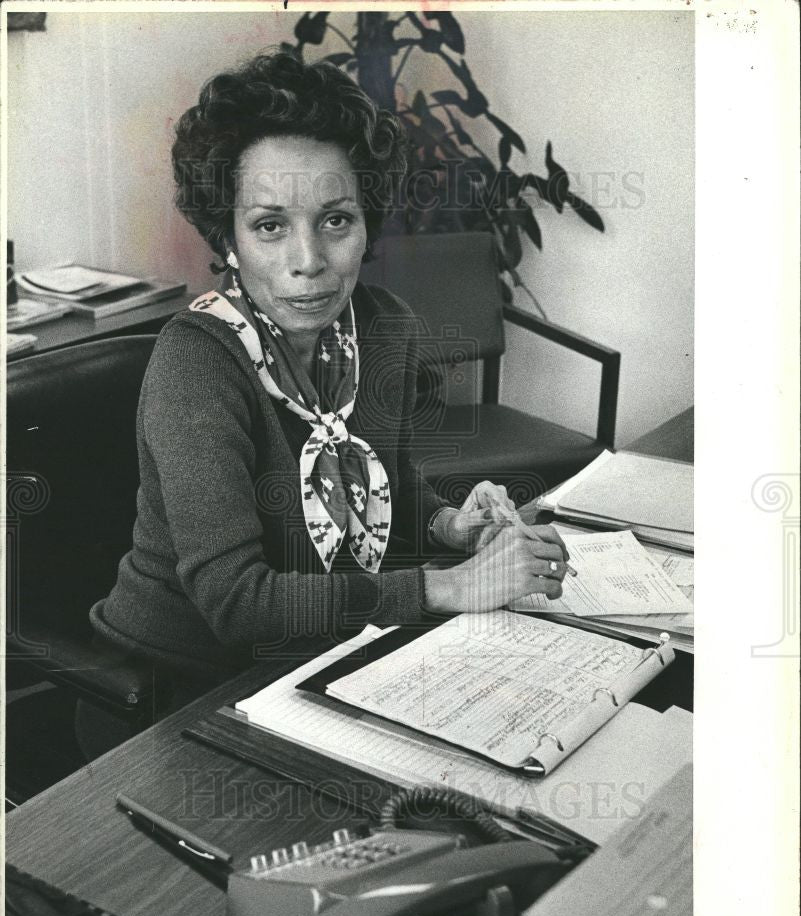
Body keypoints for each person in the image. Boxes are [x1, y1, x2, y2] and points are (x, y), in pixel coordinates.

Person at [89, 51, 569, 691]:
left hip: (325, 650)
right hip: (180, 683)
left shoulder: (384, 326)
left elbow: (386, 484)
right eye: (269, 226)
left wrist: (448, 526)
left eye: (335, 220)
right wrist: (448, 586)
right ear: (227, 240)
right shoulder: (197, 362)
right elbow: (238, 604)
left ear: (367, 225)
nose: (309, 260)